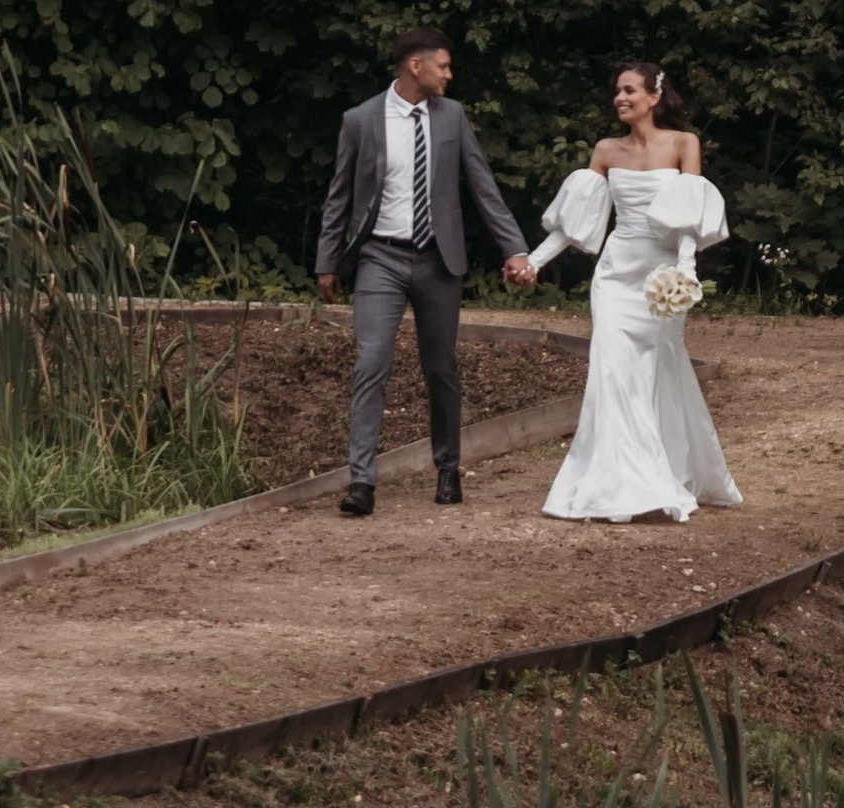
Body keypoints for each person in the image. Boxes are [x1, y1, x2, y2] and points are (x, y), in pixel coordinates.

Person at [315, 28, 537, 515]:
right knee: (371, 362)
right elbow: (340, 194)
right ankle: (361, 483)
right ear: (415, 65)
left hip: (440, 260)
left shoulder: (452, 117)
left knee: (441, 367)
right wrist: (328, 259)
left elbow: (483, 185)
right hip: (380, 257)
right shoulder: (361, 120)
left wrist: (515, 249)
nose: (450, 74)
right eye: (444, 65)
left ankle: (448, 470)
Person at [525, 60, 739, 525]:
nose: (619, 98)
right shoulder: (605, 150)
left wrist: (685, 270)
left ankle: (669, 470)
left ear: (654, 97)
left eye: (628, 91)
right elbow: (575, 222)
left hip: (663, 278)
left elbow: (688, 215)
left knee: (657, 370)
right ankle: (621, 484)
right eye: (616, 92)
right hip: (616, 276)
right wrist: (534, 260)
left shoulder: (685, 144)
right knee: (613, 374)